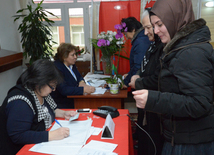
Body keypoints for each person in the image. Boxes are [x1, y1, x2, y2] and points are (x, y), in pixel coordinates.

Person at [133, 0, 214, 154]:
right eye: (153, 25)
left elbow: (199, 104)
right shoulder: (180, 47)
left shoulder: (190, 52)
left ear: (175, 19)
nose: (156, 31)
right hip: (182, 137)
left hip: (191, 143)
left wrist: (153, 99)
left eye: (160, 24)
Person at [0, 59, 78, 155]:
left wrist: (63, 113)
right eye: (52, 86)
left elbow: (49, 110)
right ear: (39, 82)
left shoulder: (41, 92)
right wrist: (51, 135)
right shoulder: (20, 101)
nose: (54, 90)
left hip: (38, 145)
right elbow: (18, 135)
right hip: (19, 150)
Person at [129, 7, 164, 155]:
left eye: (148, 27)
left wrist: (137, 82)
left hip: (156, 108)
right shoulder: (153, 45)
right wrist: (137, 75)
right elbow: (143, 65)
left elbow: (158, 78)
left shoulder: (162, 46)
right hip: (148, 106)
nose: (145, 32)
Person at [51, 43, 95, 108]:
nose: (75, 57)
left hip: (75, 99)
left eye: (75, 54)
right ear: (64, 57)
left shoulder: (71, 64)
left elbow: (79, 77)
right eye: (72, 55)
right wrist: (83, 90)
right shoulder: (57, 68)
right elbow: (64, 90)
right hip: (63, 104)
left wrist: (82, 83)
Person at [120, 17, 151, 88]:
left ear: (133, 29)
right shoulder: (142, 38)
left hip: (142, 83)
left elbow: (138, 66)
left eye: (125, 34)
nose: (126, 38)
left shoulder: (141, 42)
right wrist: (129, 74)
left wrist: (126, 82)